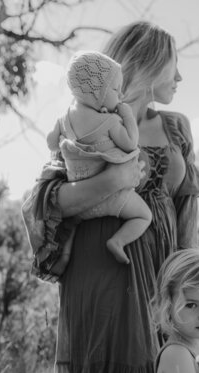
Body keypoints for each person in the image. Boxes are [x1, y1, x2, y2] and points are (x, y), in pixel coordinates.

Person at [26, 20, 199, 373]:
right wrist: (111, 181)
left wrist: (193, 295)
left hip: (158, 271)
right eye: (175, 65)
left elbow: (188, 216)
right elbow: (47, 202)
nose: (180, 78)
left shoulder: (175, 127)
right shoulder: (82, 119)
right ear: (148, 63)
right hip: (98, 269)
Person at [46, 50, 151, 272]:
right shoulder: (110, 121)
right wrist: (128, 116)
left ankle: (63, 256)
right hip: (112, 197)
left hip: (80, 200)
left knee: (71, 225)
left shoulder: (63, 118)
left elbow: (52, 144)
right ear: (96, 91)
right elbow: (131, 143)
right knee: (144, 215)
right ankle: (118, 241)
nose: (120, 95)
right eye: (115, 89)